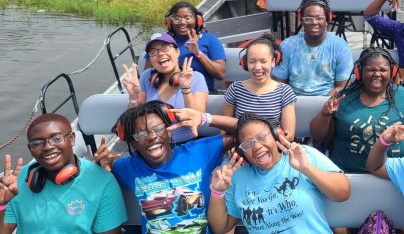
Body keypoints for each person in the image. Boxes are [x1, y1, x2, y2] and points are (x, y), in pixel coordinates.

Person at [95, 100, 238, 234]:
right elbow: (104, 168)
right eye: (141, 134)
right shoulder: (127, 167)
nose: (151, 137)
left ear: (168, 132)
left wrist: (204, 118)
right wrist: (100, 163)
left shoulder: (199, 151)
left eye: (158, 129)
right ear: (133, 143)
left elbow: (248, 130)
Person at [207, 113, 351, 234]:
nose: (257, 146)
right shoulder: (238, 178)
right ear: (241, 152)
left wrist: (306, 168)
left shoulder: (303, 155)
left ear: (275, 136)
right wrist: (217, 192)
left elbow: (343, 192)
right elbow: (221, 228)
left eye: (262, 137)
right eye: (248, 144)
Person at [310, 47, 404, 172]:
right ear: (359, 72)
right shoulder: (342, 98)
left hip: (398, 176)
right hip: (349, 176)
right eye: (370, 70)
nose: (377, 74)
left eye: (383, 70)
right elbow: (319, 137)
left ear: (392, 72)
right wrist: (325, 115)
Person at [0, 113, 127, 233]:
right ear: (31, 150)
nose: (47, 147)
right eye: (37, 143)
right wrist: (2, 206)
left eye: (56, 139)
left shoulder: (103, 182)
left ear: (71, 139)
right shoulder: (16, 182)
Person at [124, 32, 208, 144]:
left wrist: (185, 88)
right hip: (152, 142)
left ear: (177, 51)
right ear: (150, 59)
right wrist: (134, 96)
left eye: (165, 48)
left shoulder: (196, 78)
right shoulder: (147, 76)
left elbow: (197, 118)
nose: (160, 54)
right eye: (153, 52)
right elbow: (132, 119)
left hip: (185, 143)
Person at [272, 0, 353, 96]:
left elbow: (343, 87)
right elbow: (278, 85)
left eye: (319, 18)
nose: (314, 22)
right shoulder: (287, 46)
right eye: (308, 19)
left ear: (328, 19)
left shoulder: (341, 47)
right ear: (301, 19)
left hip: (328, 102)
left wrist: (323, 104)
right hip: (293, 102)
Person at [223, 35, 296, 141]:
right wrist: (231, 149)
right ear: (245, 63)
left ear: (273, 62)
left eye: (263, 61)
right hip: (241, 148)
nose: (257, 67)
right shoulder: (235, 89)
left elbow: (288, 135)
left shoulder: (284, 92)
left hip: (272, 150)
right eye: (252, 62)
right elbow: (224, 129)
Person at [165, 1, 226, 92]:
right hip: (169, 93)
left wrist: (198, 53)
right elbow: (149, 72)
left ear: (198, 20)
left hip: (202, 94)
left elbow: (220, 74)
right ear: (169, 21)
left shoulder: (210, 39)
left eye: (187, 18)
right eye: (177, 18)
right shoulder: (162, 41)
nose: (182, 22)